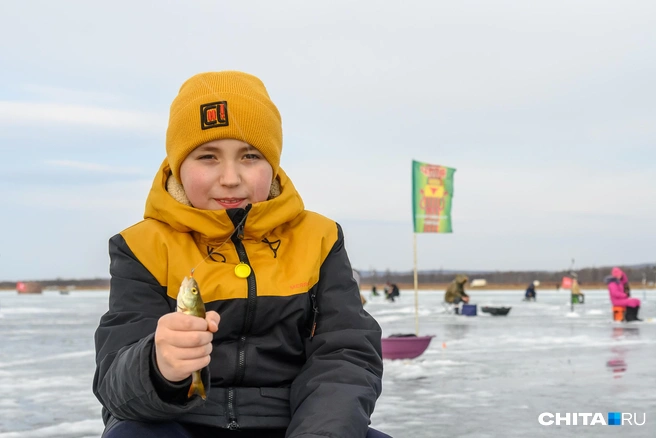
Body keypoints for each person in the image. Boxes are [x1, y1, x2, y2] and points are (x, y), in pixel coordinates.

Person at [93, 71, 387, 438]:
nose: (230, 178)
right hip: (178, 422)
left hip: (294, 423)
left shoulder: (320, 238)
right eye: (208, 156)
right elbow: (114, 383)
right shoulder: (142, 246)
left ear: (273, 165)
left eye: (249, 156)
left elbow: (346, 354)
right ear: (177, 166)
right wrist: (158, 367)